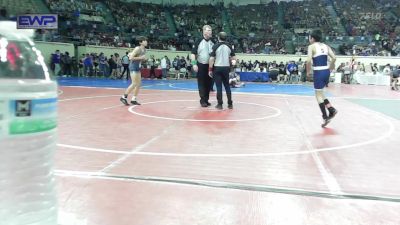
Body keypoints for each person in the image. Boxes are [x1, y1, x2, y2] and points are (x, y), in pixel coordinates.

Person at [306, 30, 338, 127]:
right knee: (321, 93)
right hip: (326, 72)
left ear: (312, 38)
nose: (309, 39)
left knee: (318, 95)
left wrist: (308, 72)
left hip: (319, 72)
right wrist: (331, 67)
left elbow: (308, 60)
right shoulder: (326, 46)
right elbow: (334, 58)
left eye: (309, 37)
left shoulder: (311, 47)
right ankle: (331, 109)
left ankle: (325, 117)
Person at [208, 32, 236, 109]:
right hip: (226, 68)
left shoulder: (215, 46)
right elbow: (234, 59)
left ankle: (220, 104)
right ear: (226, 38)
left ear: (218, 37)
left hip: (217, 68)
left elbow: (211, 58)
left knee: (219, 87)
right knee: (227, 86)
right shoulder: (229, 46)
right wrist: (232, 67)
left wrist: (210, 69)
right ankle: (230, 104)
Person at [191, 25, 214, 107]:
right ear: (204, 31)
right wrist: (194, 64)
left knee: (209, 83)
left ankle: (206, 99)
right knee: (202, 83)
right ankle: (202, 100)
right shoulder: (198, 41)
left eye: (211, 30)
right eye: (208, 30)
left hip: (210, 66)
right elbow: (193, 54)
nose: (210, 32)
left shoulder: (213, 41)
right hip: (201, 65)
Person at [120, 36, 148, 106]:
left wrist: (144, 59)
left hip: (137, 67)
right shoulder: (137, 48)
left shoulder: (144, 50)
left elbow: (138, 58)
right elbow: (130, 58)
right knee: (134, 83)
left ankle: (133, 99)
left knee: (138, 84)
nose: (146, 42)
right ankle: (123, 97)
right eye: (145, 41)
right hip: (133, 67)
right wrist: (141, 57)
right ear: (140, 42)